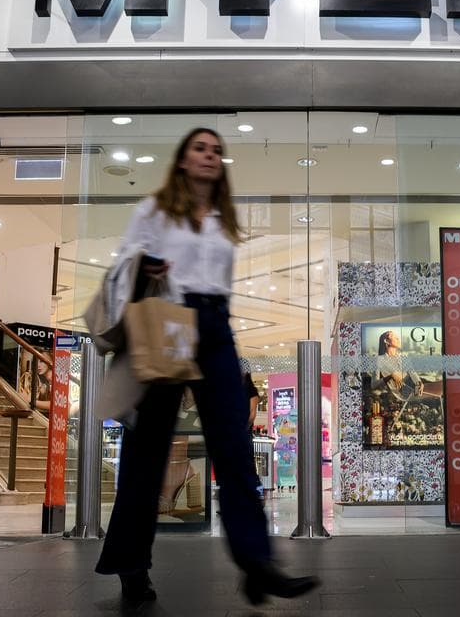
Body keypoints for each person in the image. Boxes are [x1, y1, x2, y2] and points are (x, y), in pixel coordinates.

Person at [93, 128, 319, 606]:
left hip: (215, 328)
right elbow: (122, 264)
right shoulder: (155, 209)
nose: (210, 155)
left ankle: (257, 562)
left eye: (216, 150)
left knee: (234, 446)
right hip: (168, 320)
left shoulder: (222, 219)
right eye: (200, 148)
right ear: (181, 160)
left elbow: (222, 285)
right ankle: (131, 563)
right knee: (148, 449)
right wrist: (145, 267)